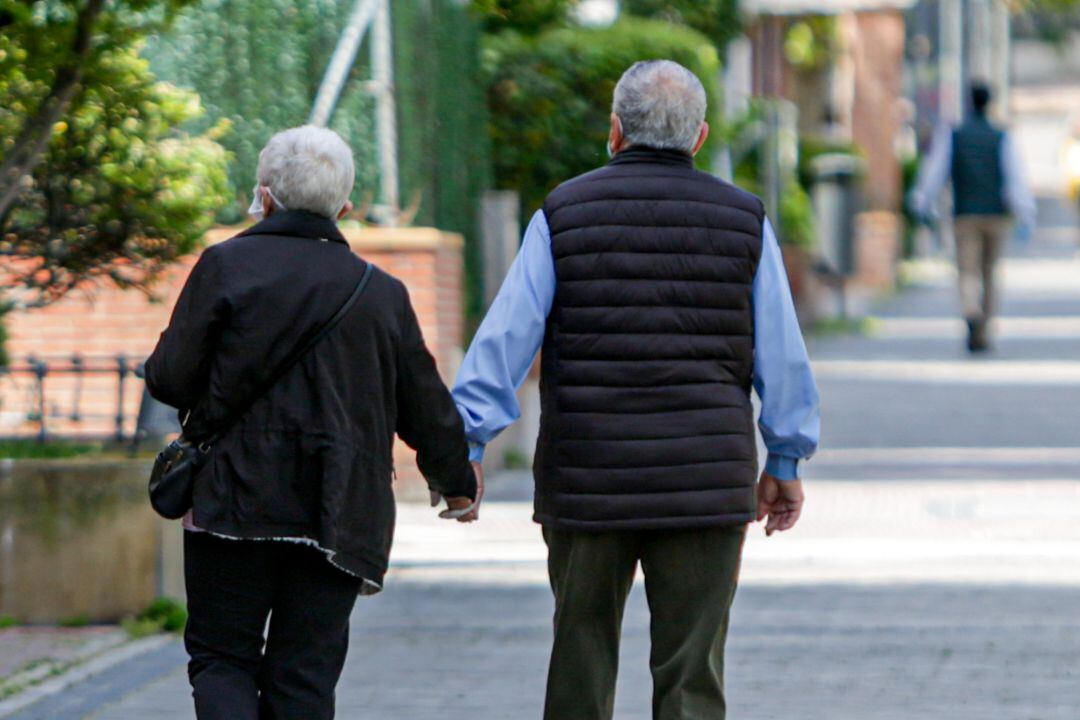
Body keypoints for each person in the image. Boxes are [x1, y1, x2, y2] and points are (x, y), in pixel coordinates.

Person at [452, 60, 820, 720]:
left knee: (580, 660)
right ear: (701, 137)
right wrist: (785, 459)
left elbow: (505, 338)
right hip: (705, 482)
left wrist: (467, 443)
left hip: (587, 479)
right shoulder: (744, 220)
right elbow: (783, 357)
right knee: (692, 671)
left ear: (614, 132)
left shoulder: (563, 213)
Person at [144, 125, 478, 720]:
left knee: (223, 658)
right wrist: (455, 478)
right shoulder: (382, 294)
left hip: (231, 500)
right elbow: (424, 403)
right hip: (339, 506)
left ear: (263, 196)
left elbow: (170, 379)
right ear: (345, 209)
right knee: (305, 677)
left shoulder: (225, 266)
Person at [909, 81, 1036, 352]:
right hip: (995, 215)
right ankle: (985, 325)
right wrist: (1025, 214)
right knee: (989, 273)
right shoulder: (1002, 136)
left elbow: (935, 172)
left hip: (964, 213)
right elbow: (1015, 179)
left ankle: (970, 311)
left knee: (967, 270)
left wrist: (922, 203)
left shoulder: (953, 135)